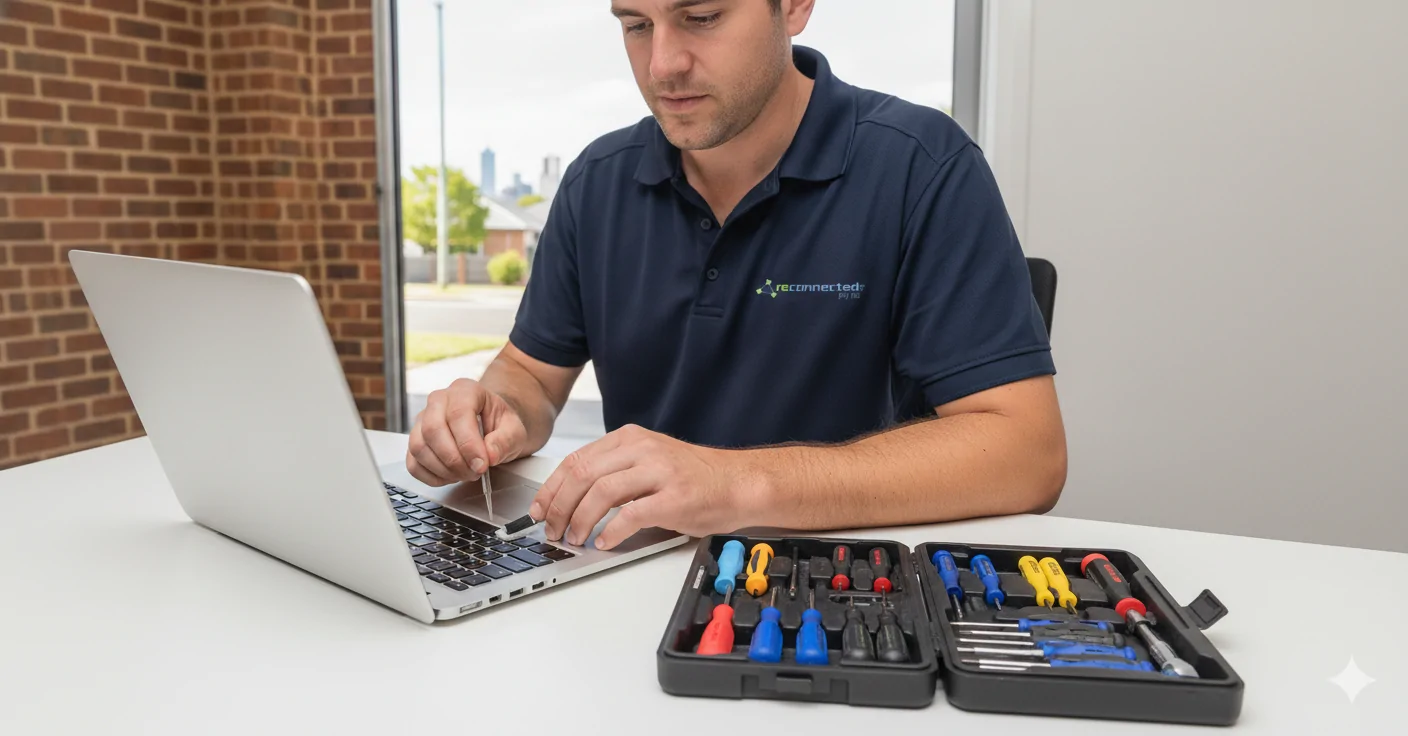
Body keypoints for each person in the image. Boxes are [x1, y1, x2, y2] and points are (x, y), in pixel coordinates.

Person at [406, 0, 1066, 551]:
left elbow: (1026, 453)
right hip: (627, 571)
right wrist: (493, 415)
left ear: (796, 6)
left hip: (841, 584)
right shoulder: (595, 182)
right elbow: (529, 373)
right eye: (636, 25)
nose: (662, 64)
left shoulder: (922, 166)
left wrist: (734, 485)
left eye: (701, 15)